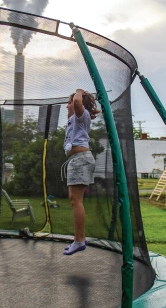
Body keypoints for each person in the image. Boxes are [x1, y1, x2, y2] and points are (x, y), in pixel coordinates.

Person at [62, 89, 100, 256]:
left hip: (80, 159)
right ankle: (79, 239)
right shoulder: (73, 121)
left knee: (76, 201)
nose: (67, 105)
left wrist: (78, 92)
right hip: (76, 160)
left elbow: (78, 103)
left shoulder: (81, 116)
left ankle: (79, 241)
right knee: (74, 200)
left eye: (69, 102)